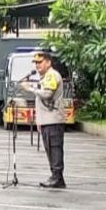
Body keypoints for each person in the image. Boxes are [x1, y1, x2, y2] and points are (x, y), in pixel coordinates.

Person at [22, 51, 67, 189]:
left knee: (54, 149)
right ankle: (55, 176)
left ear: (48, 62)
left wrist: (30, 88)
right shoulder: (45, 77)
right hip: (47, 120)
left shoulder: (52, 75)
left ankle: (57, 177)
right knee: (50, 149)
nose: (37, 65)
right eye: (35, 63)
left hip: (53, 119)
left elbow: (47, 94)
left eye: (40, 62)